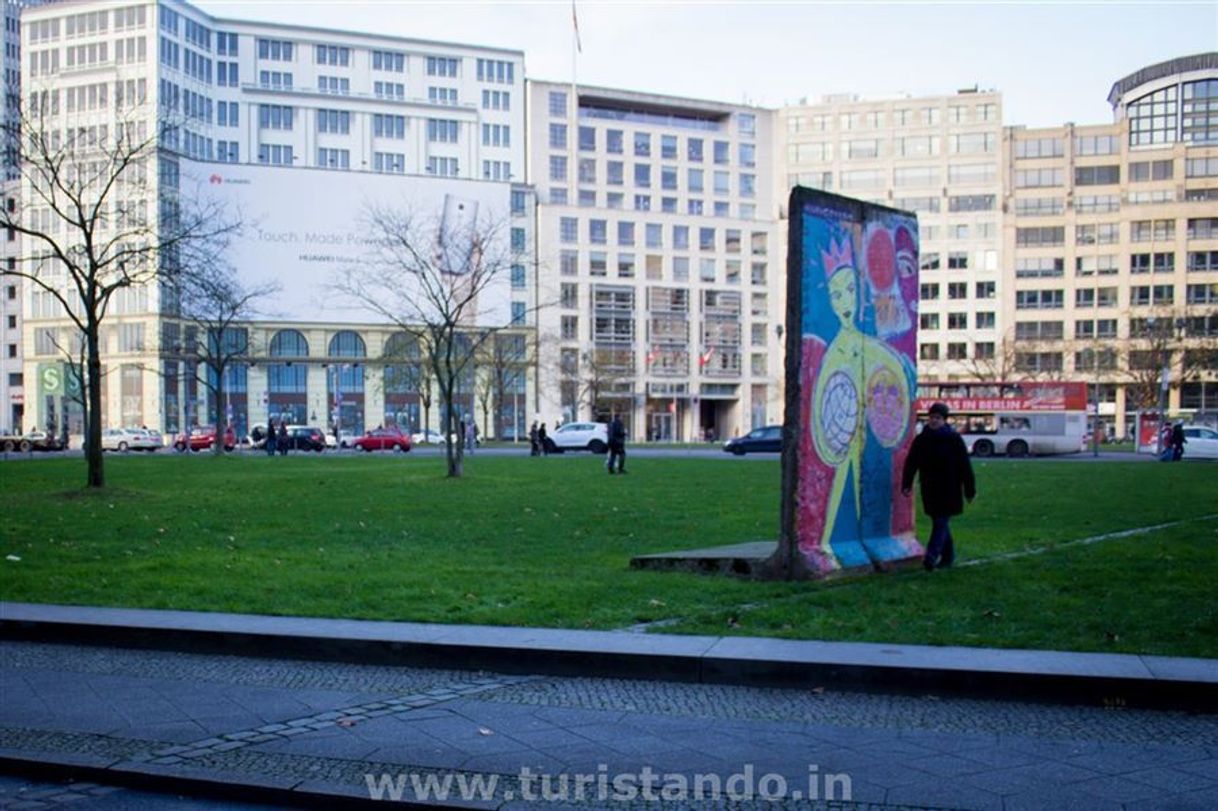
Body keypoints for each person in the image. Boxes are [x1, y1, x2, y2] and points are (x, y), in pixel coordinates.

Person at [901, 402, 976, 572]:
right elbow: (912, 462)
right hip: (930, 488)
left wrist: (969, 490)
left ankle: (931, 556)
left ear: (944, 420)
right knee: (939, 521)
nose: (933, 421)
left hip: (950, 488)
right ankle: (948, 557)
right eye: (931, 417)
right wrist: (907, 483)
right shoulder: (921, 440)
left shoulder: (954, 439)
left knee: (941, 521)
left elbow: (965, 466)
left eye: (937, 418)